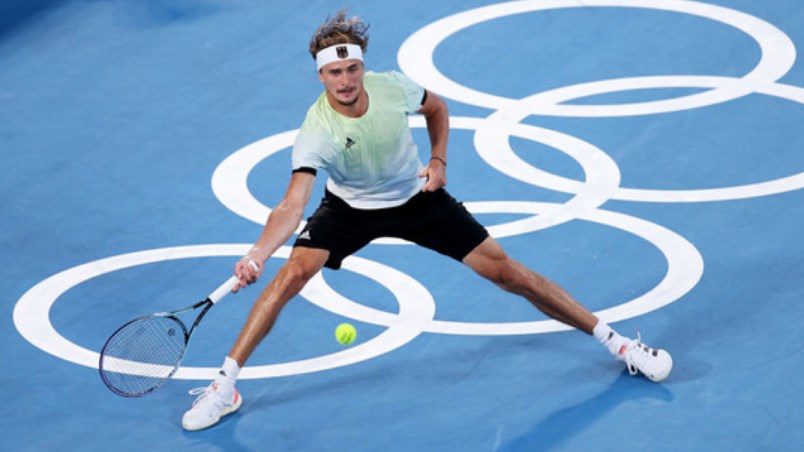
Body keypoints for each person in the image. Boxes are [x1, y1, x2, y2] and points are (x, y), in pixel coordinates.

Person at [181, 10, 673, 431]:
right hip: (348, 210)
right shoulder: (317, 131)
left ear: (362, 67)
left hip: (417, 198)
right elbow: (292, 206)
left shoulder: (392, 87)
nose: (346, 81)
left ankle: (619, 345)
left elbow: (436, 108)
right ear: (321, 77)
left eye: (352, 69)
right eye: (335, 73)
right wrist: (258, 254)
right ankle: (225, 386)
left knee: (508, 273)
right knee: (291, 274)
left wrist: (438, 160)